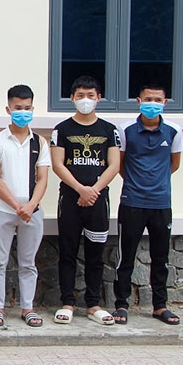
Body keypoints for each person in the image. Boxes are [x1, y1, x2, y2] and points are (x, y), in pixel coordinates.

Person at [50, 75, 120, 325]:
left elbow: (114, 165)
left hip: (98, 202)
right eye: (80, 95)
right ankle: (67, 302)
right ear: (72, 98)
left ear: (99, 98)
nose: (85, 100)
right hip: (70, 200)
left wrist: (93, 191)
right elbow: (58, 164)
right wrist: (80, 189)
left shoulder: (109, 130)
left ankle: (93, 304)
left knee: (95, 253)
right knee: (67, 252)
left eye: (91, 95)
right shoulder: (62, 129)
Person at [113, 84, 183, 326]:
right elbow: (119, 164)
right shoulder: (125, 130)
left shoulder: (173, 131)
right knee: (126, 257)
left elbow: (174, 165)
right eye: (148, 99)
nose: (152, 103)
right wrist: (137, 183)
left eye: (157, 99)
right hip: (132, 202)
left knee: (161, 258)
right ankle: (121, 304)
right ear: (138, 101)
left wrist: (156, 184)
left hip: (161, 203)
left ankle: (160, 306)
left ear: (165, 102)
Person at [0, 85, 50, 327]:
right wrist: (16, 206)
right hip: (3, 210)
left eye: (27, 108)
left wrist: (30, 206)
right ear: (8, 109)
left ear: (33, 109)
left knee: (28, 262)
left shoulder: (40, 142)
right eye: (17, 108)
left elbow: (42, 178)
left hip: (32, 211)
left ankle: (27, 308)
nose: (22, 112)